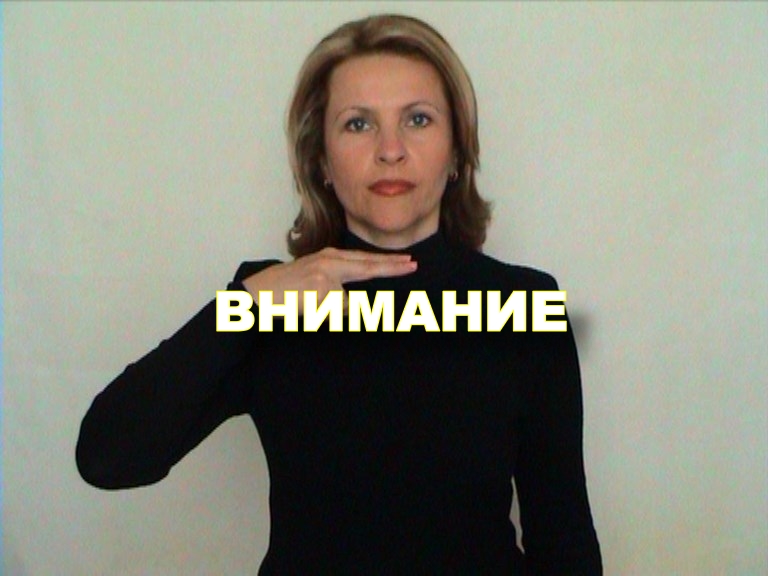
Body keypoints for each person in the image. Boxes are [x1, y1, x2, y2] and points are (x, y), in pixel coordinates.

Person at [76, 13, 602, 574]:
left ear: (456, 151)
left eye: (418, 119)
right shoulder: (270, 304)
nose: (390, 149)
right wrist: (246, 305)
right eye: (358, 124)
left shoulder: (525, 302)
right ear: (322, 160)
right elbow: (108, 457)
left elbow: (564, 540)